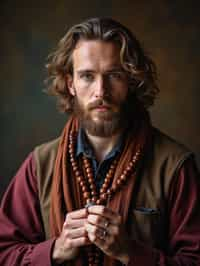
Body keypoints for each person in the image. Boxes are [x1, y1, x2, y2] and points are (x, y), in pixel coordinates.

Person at [0, 17, 199, 266]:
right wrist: (55, 250)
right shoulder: (40, 164)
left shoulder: (175, 166)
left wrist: (131, 252)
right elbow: (4, 253)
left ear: (131, 81)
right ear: (71, 83)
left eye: (114, 75)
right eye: (87, 76)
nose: (101, 91)